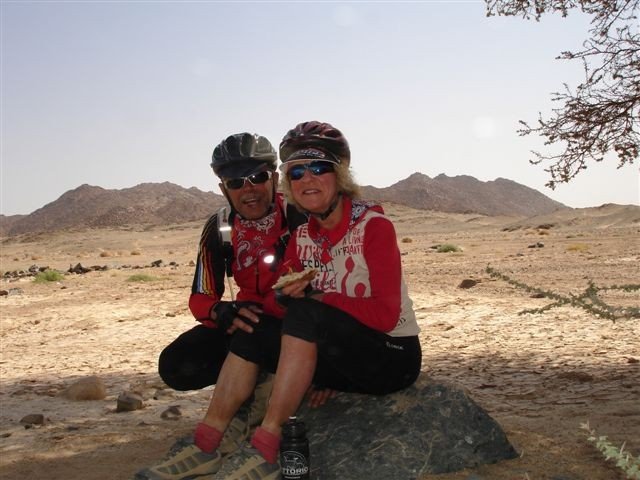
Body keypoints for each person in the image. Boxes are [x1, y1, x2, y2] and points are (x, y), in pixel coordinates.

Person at [208, 121, 422, 479]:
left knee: (306, 311)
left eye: (319, 168)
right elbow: (278, 303)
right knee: (253, 324)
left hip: (391, 357)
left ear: (340, 176)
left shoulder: (373, 227)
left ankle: (268, 443)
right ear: (288, 184)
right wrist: (281, 297)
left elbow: (385, 316)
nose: (307, 179)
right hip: (341, 357)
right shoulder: (303, 236)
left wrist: (317, 297)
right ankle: (206, 440)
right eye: (296, 172)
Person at [135, 132, 305, 480]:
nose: (249, 189)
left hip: (293, 328)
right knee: (176, 364)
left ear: (274, 178)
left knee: (256, 332)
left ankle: (233, 431)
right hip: (244, 324)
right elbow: (201, 296)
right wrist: (219, 312)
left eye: (258, 177)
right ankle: (245, 397)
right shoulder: (221, 227)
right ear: (223, 188)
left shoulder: (299, 216)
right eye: (235, 182)